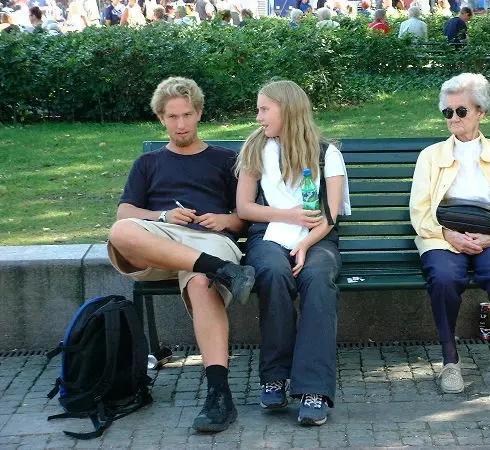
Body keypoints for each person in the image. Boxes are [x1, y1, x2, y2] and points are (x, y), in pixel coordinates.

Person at [107, 77, 256, 433]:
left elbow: (245, 218)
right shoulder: (148, 163)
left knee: (202, 282)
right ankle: (222, 271)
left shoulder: (226, 159)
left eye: (187, 115)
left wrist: (225, 219)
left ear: (199, 113)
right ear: (161, 118)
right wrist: (162, 216)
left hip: (211, 238)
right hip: (161, 241)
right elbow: (124, 212)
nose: (181, 124)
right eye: (172, 117)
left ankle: (219, 394)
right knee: (120, 231)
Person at [409, 73, 490, 395]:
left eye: (461, 111)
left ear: (481, 111)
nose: (453, 118)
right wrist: (446, 234)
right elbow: (420, 208)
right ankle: (450, 360)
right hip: (442, 235)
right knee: (444, 277)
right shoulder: (431, 156)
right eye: (447, 112)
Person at [235, 80, 351, 426]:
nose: (258, 117)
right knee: (273, 272)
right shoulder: (256, 148)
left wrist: (304, 243)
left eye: (264, 109)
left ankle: (314, 389)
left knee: (317, 277)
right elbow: (243, 207)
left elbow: (329, 217)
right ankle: (275, 376)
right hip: (268, 236)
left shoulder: (326, 153)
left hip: (317, 239)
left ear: (288, 109)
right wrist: (288, 216)